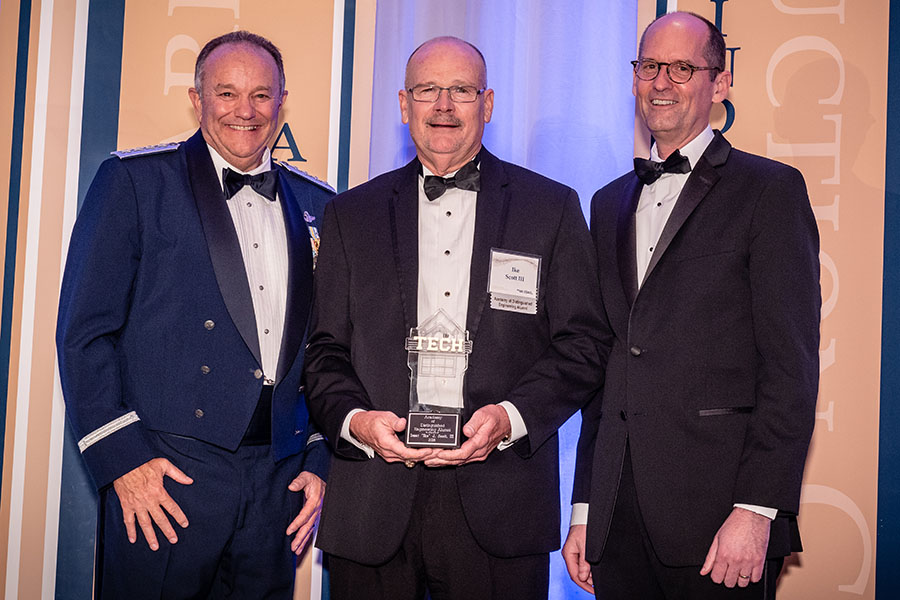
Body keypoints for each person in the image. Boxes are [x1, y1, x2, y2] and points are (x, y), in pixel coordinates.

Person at [303, 36, 607, 600]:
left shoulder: (552, 208)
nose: (443, 106)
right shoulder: (349, 215)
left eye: (461, 90)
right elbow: (323, 352)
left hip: (501, 502)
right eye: (428, 90)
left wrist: (510, 418)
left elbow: (583, 345)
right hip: (374, 500)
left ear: (487, 104)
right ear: (403, 105)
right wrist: (357, 423)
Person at [56, 30, 333, 599]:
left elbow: (329, 344)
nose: (245, 111)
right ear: (196, 96)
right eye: (226, 93)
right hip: (167, 474)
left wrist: (322, 455)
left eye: (262, 95)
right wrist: (123, 459)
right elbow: (85, 333)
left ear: (282, 102)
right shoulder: (134, 182)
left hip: (276, 482)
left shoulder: (319, 203)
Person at [562, 11, 820, 600]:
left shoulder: (770, 191)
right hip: (617, 517)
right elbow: (606, 367)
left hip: (721, 520)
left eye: (682, 68)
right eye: (650, 66)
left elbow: (791, 368)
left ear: (720, 81)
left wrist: (757, 511)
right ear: (633, 78)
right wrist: (584, 506)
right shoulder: (608, 203)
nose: (662, 82)